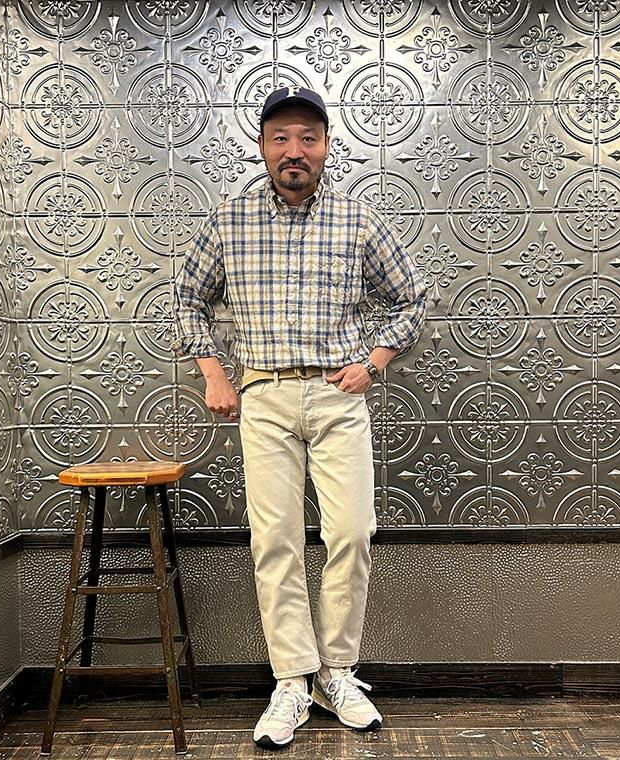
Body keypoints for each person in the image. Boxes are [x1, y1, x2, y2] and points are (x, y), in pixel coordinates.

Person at [173, 85, 427, 749]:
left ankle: (336, 673)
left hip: (339, 397)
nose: (295, 150)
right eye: (281, 138)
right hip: (265, 397)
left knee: (351, 533)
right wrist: (214, 374)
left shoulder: (358, 219)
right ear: (262, 146)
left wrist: (374, 363)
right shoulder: (229, 220)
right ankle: (291, 680)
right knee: (276, 540)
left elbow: (411, 299)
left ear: (326, 147)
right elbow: (187, 300)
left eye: (308, 139)